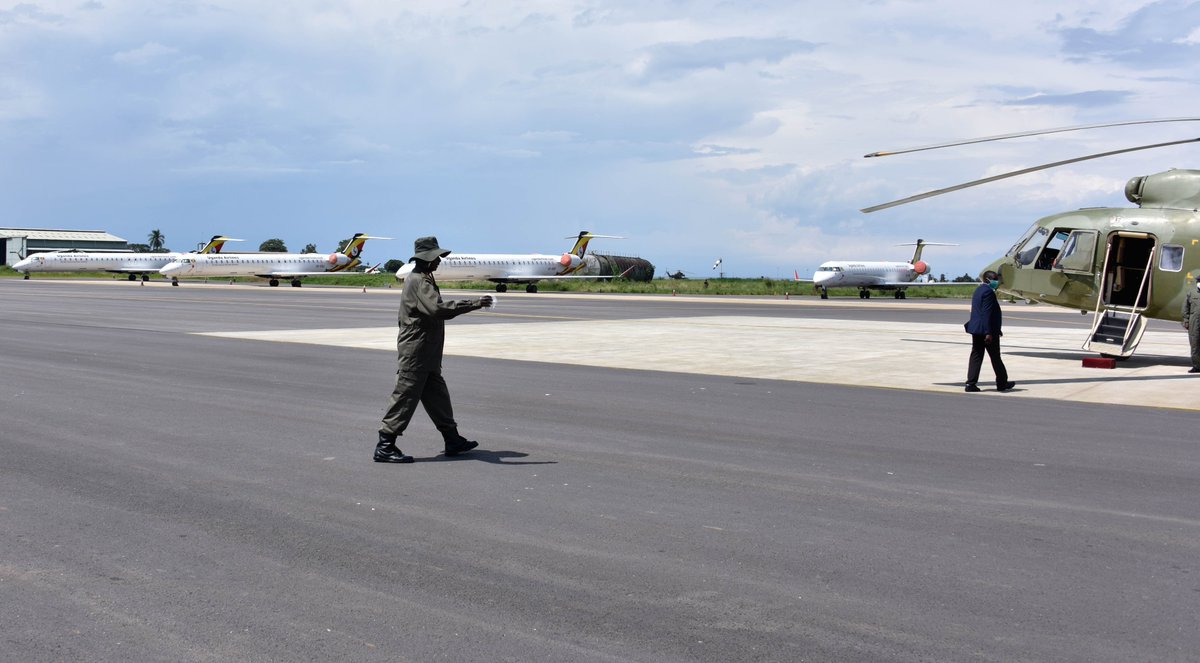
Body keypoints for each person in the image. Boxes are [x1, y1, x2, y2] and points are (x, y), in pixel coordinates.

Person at [375, 236, 493, 463]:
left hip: (426, 351)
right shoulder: (419, 281)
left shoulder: (423, 278)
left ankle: (452, 439)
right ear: (426, 259)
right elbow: (438, 309)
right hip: (416, 352)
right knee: (405, 396)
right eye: (436, 257)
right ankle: (385, 445)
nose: (439, 260)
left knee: (438, 397)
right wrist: (475, 303)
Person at [964, 269, 1015, 393]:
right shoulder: (989, 293)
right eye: (995, 279)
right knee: (996, 357)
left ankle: (970, 384)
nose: (997, 281)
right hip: (986, 331)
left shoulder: (979, 290)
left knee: (976, 356)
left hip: (976, 329)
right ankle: (1002, 383)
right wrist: (989, 332)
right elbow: (986, 313)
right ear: (988, 279)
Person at [1181, 270, 1200, 374]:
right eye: (1198, 281)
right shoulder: (1191, 293)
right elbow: (1185, 308)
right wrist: (1186, 320)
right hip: (1194, 323)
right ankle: (1197, 366)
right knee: (1195, 344)